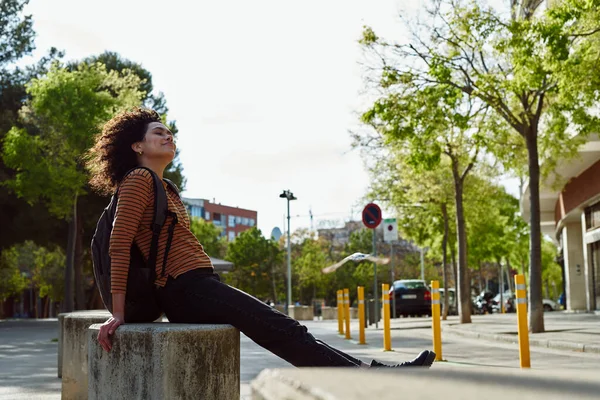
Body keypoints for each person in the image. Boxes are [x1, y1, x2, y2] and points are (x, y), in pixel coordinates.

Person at [86, 107, 436, 368]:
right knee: (280, 328)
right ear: (137, 145)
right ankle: (373, 379)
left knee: (284, 329)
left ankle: (372, 375)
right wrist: (118, 314)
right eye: (158, 133)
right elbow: (119, 243)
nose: (168, 137)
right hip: (183, 288)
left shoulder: (165, 187)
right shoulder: (138, 180)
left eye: (170, 133)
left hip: (197, 284)